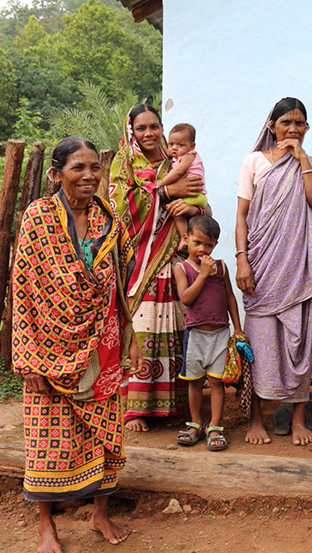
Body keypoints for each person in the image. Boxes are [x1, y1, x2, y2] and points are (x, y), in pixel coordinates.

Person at [12, 137, 142, 553]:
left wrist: (131, 338)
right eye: (77, 168)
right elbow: (23, 291)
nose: (88, 176)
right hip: (48, 345)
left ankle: (99, 513)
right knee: (48, 435)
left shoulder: (109, 221)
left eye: (94, 168)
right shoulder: (38, 219)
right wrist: (27, 354)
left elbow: (123, 285)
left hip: (102, 342)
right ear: (56, 174)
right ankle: (46, 524)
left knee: (106, 430)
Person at [235, 97, 312, 447]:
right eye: (286, 122)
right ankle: (256, 417)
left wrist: (302, 160)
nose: (292, 129)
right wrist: (242, 260)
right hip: (260, 265)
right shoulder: (254, 161)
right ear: (272, 126)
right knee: (259, 344)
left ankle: (299, 417)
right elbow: (241, 216)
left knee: (299, 342)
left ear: (306, 128)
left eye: (299, 123)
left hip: (298, 268)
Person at [109, 104, 208, 432]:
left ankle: (174, 404)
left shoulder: (176, 161)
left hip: (172, 261)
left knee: (174, 332)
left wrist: (191, 203)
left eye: (154, 126)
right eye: (141, 128)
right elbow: (119, 209)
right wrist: (165, 191)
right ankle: (134, 409)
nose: (149, 133)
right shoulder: (124, 163)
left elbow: (201, 201)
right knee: (142, 328)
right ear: (131, 131)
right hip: (137, 263)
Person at [173, 215, 243, 450]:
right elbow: (186, 298)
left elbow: (230, 298)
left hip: (220, 334)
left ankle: (214, 426)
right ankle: (195, 423)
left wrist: (238, 328)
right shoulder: (181, 268)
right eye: (197, 243)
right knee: (194, 382)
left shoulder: (221, 267)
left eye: (209, 245)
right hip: (196, 335)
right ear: (186, 239)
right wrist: (202, 274)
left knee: (216, 382)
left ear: (214, 245)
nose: (202, 249)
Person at [154, 123, 209, 246]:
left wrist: (162, 183)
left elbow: (178, 172)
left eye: (180, 145)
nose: (174, 148)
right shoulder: (178, 158)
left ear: (192, 146)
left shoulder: (188, 157)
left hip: (195, 195)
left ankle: (184, 238)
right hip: (196, 196)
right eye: (171, 144)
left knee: (176, 211)